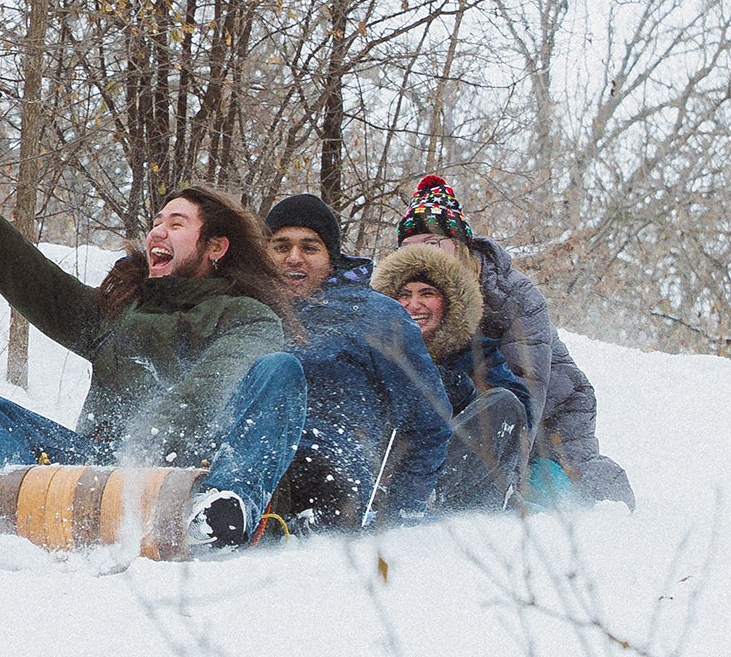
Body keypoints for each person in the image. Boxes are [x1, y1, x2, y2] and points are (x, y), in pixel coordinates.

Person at [0, 132, 308, 551]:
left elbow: (213, 383)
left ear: (216, 248)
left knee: (281, 371)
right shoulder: (121, 312)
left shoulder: (248, 317)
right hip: (103, 475)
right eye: (156, 222)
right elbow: (41, 288)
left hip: (196, 476)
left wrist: (141, 448)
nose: (158, 231)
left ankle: (224, 512)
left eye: (176, 224)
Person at [394, 174, 635, 509]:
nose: (421, 254)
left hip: (548, 426)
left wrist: (511, 482)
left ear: (459, 245)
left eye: (433, 243)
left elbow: (526, 388)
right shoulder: (412, 299)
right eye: (410, 247)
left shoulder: (511, 296)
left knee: (550, 489)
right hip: (473, 422)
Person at [264, 194, 452, 531]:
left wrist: (402, 507)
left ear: (331, 258)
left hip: (329, 462)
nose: (294, 258)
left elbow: (428, 418)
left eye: (309, 248)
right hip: (252, 451)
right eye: (281, 247)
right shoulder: (249, 309)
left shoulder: (377, 315)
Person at [372, 242, 534, 511]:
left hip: (459, 477)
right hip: (386, 466)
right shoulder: (374, 350)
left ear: (448, 301)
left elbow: (516, 410)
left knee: (502, 401)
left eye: (427, 293)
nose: (414, 304)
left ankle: (428, 491)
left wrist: (460, 387)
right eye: (404, 294)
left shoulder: (473, 352)